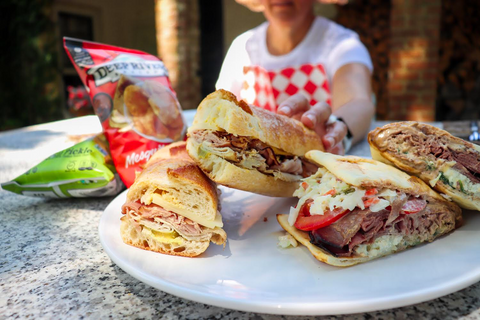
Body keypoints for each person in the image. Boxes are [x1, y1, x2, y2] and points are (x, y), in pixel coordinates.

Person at [216, 0, 375, 154]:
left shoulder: (342, 44)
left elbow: (358, 102)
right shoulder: (243, 46)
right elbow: (221, 110)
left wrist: (334, 133)